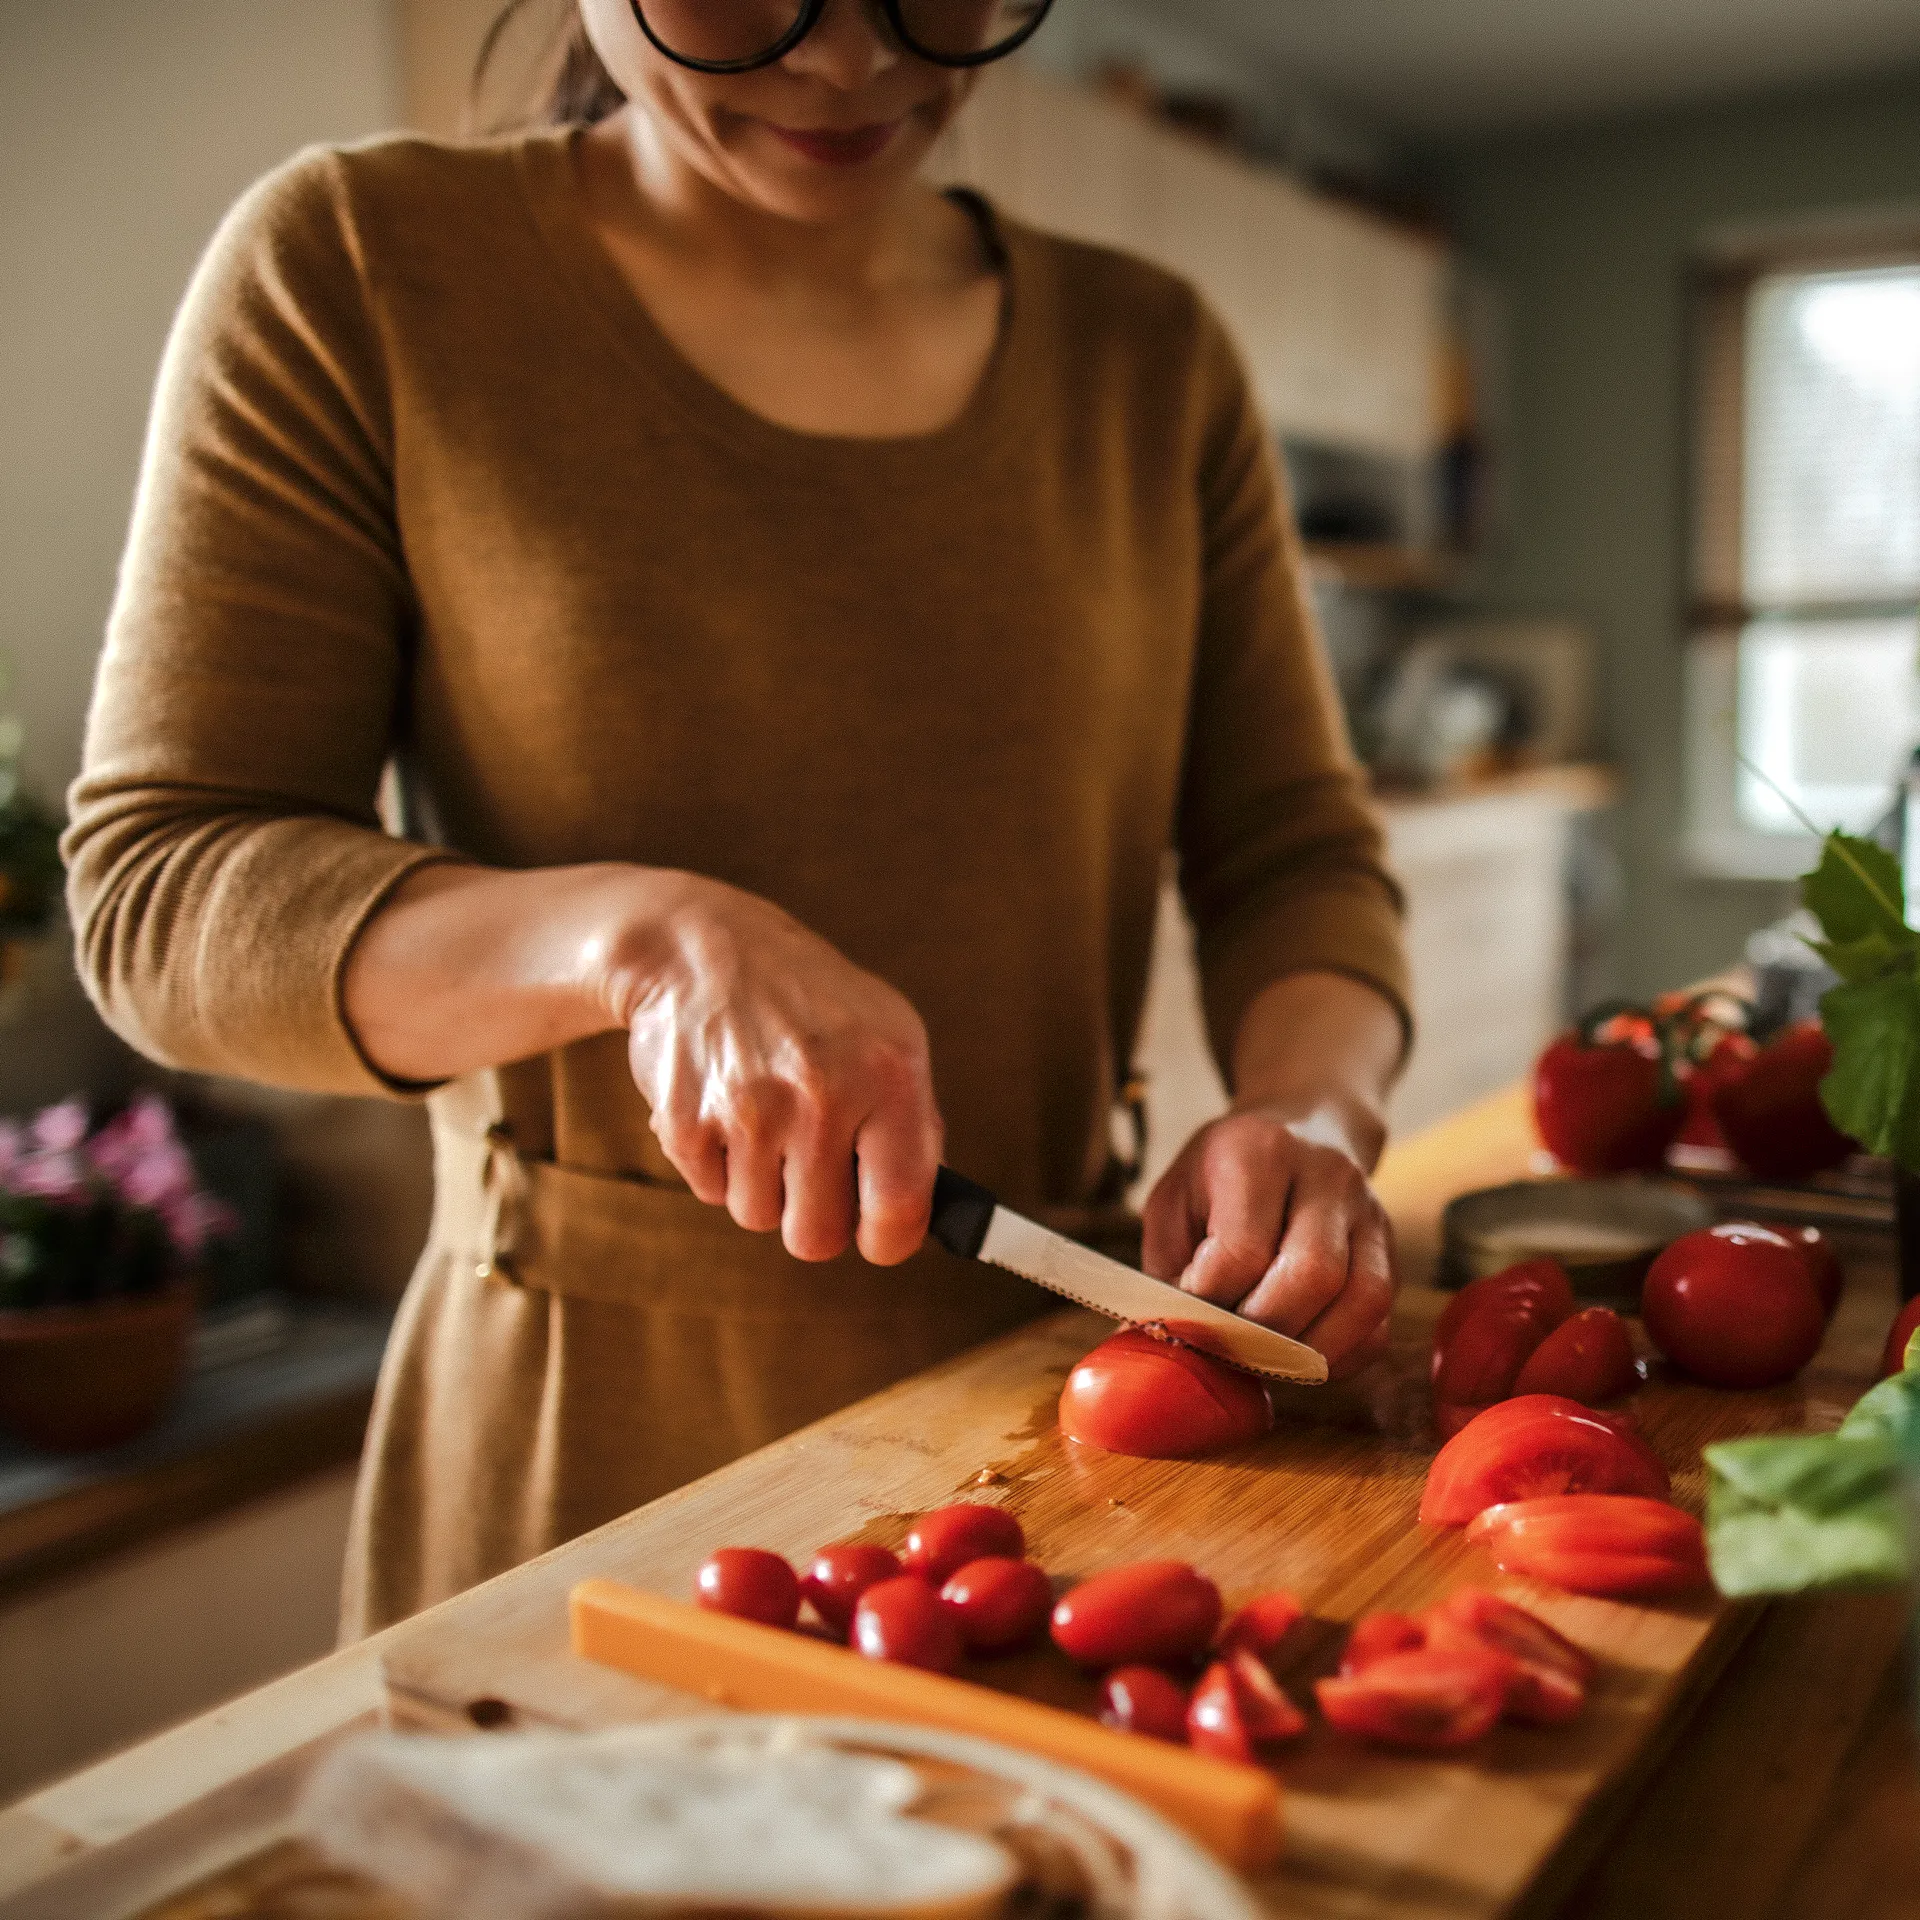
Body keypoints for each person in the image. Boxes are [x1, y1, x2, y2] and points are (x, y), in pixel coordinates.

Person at [64, 0, 1411, 1638]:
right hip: (584, 1465)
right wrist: (639, 944)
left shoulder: (1153, 355)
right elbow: (164, 891)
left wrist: (1314, 1109)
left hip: (1073, 1435)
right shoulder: (360, 264)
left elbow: (1294, 848)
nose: (852, 62)